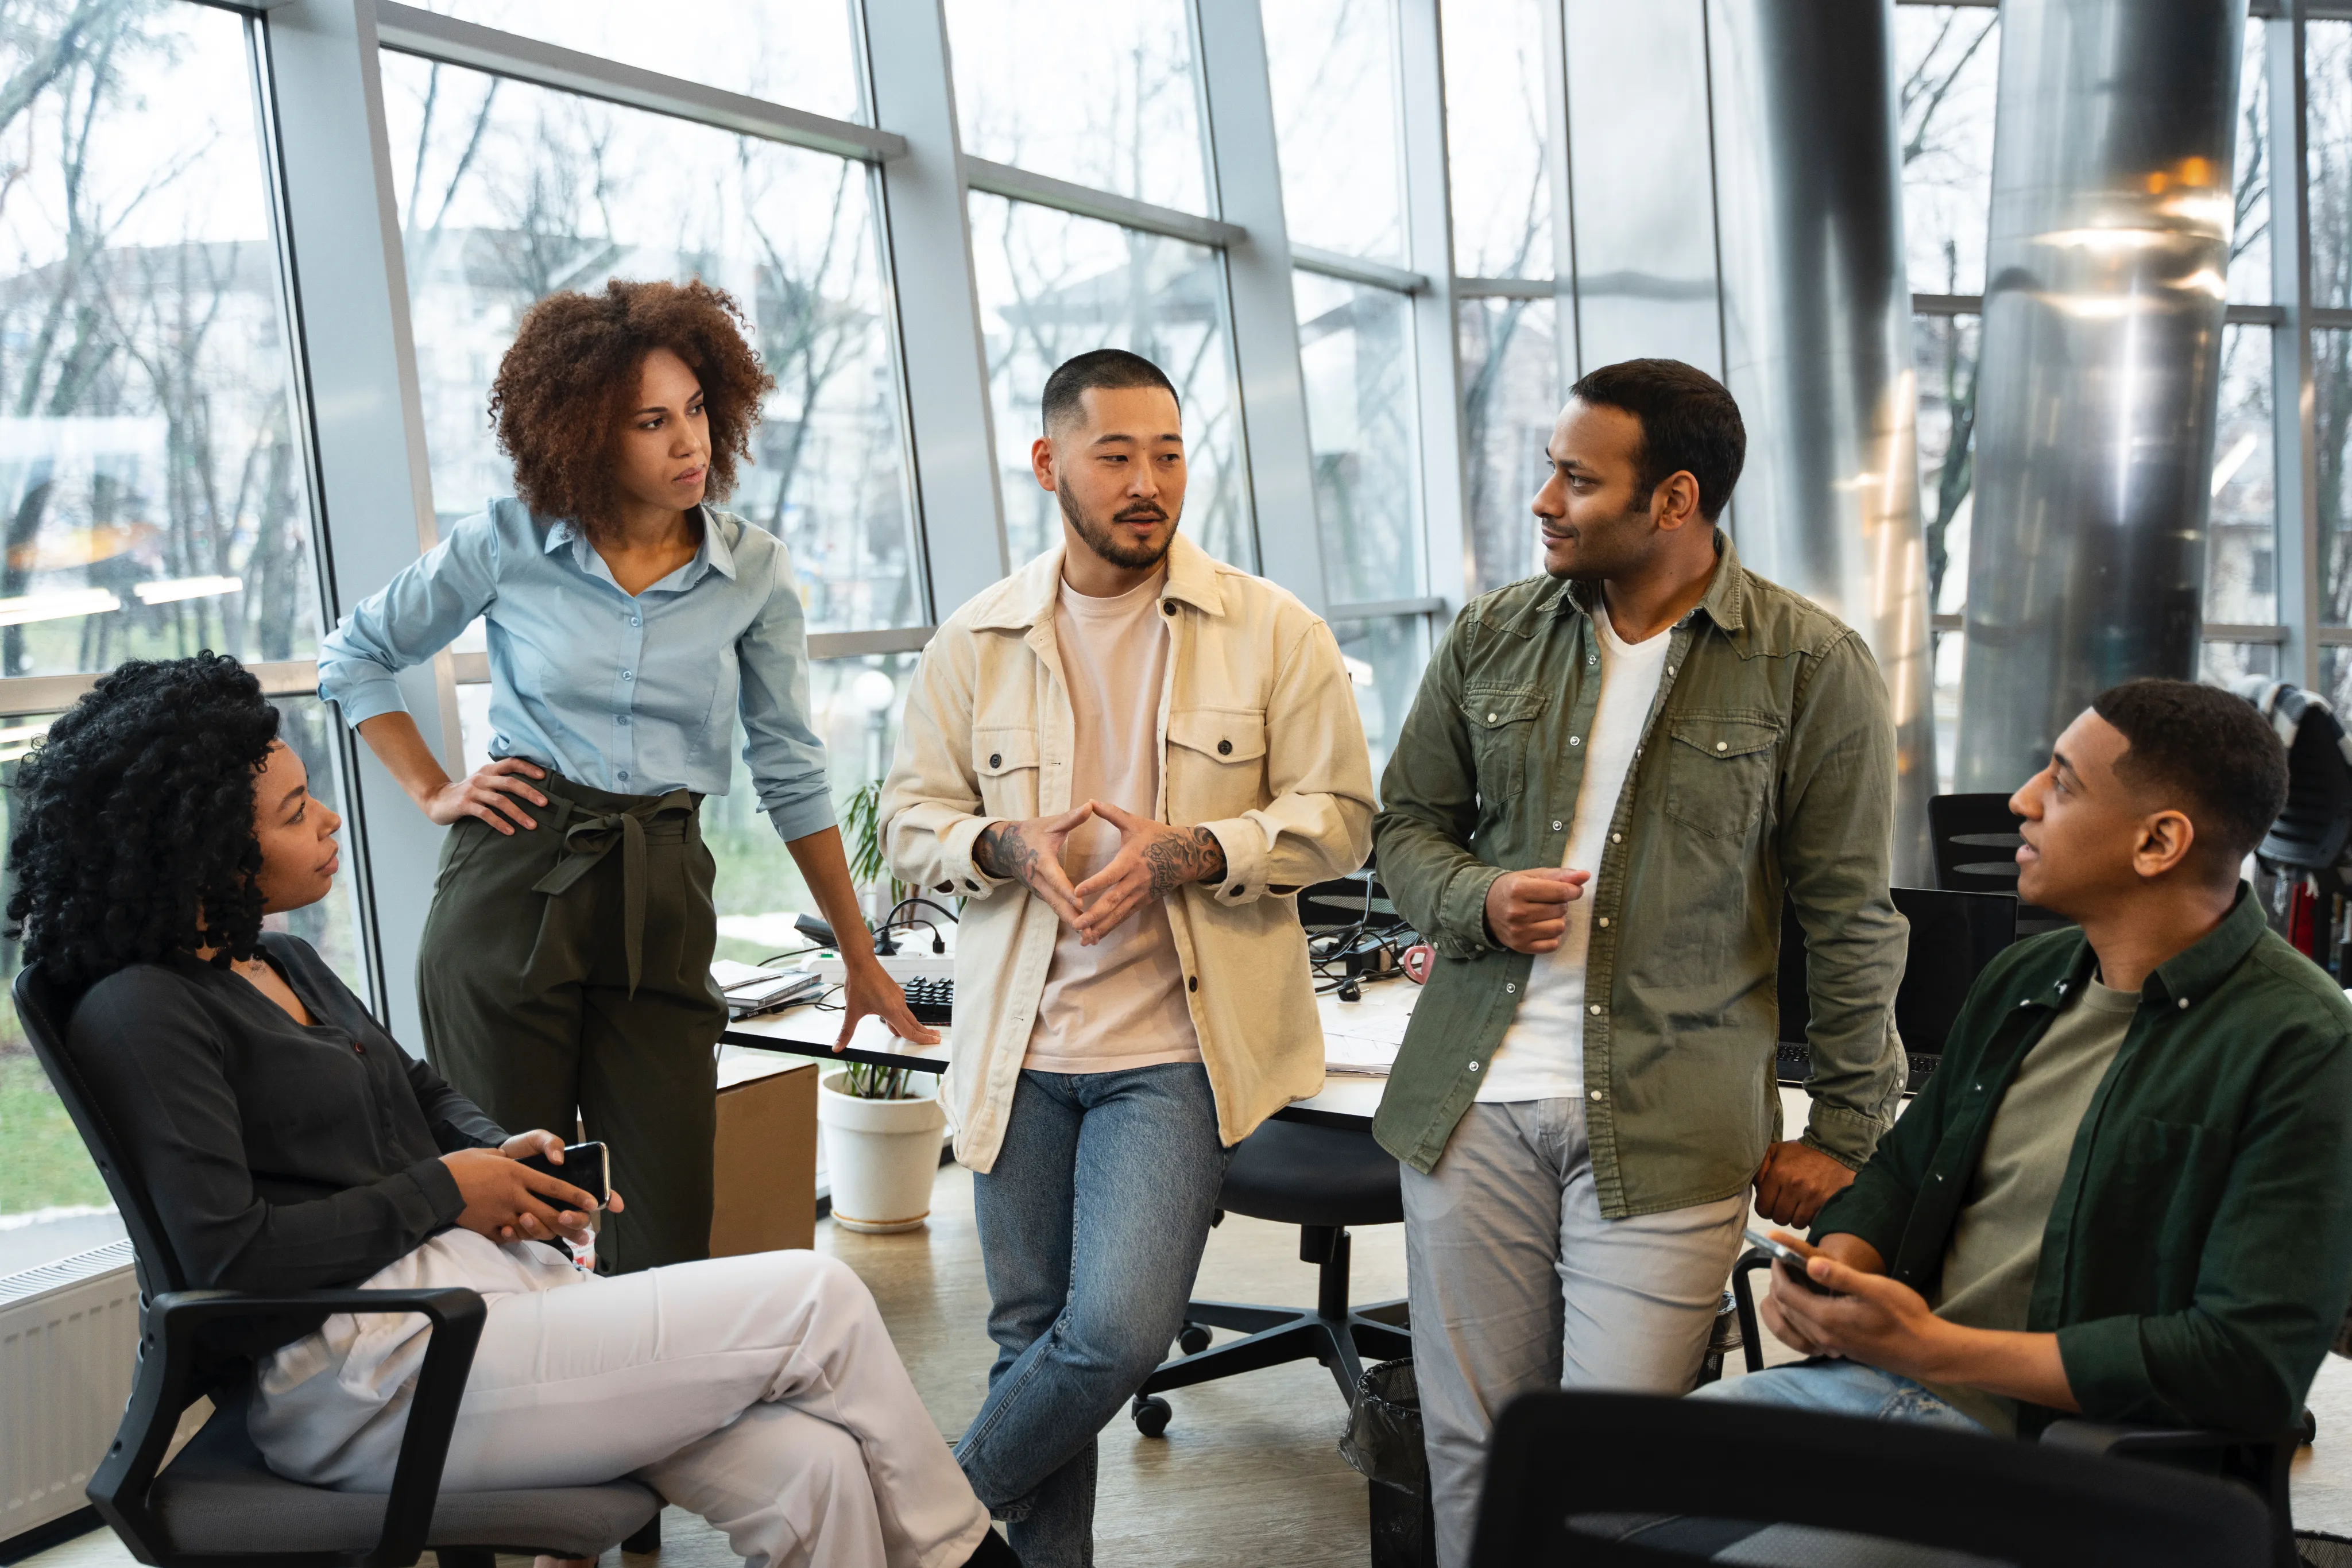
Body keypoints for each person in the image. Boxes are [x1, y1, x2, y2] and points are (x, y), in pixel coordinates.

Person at [5, 653, 1015, 1568]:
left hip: (479, 1306)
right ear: (202, 853)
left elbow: (424, 1091)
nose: (330, 821)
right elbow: (226, 1260)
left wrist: (504, 1158)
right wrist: (449, 1191)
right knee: (821, 1298)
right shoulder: (142, 1011)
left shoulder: (282, 961)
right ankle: (976, 1561)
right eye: (293, 810)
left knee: (815, 1473)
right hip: (369, 1369)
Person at [1371, 358, 1909, 1564]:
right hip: (1472, 1101)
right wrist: (1477, 895)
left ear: (1672, 500)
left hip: (1669, 1115)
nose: (1543, 501)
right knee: (1475, 1455)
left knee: (1614, 1481)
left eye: (1575, 478)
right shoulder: (1492, 635)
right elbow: (1401, 828)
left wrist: (1843, 1133)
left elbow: (1849, 918)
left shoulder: (1807, 666)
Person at [316, 278, 929, 1275]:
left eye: (695, 411)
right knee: (514, 1213)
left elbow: (790, 766)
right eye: (651, 422)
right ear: (587, 432)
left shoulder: (755, 572)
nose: (689, 443)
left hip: (664, 884)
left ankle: (652, 1426)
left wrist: (860, 953)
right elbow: (354, 655)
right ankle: (523, 1428)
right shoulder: (508, 543)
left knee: (669, 1218)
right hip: (514, 880)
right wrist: (436, 788)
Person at [879, 349, 1375, 1566]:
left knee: (1113, 1335)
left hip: (1172, 1052)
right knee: (1028, 1336)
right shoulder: (977, 640)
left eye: (1166, 453)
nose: (1148, 482)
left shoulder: (1272, 633)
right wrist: (994, 841)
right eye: (1115, 455)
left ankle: (905, 1526)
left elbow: (1342, 817)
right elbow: (904, 825)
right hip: (1017, 1051)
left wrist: (1196, 851)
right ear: (1049, 465)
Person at [1706, 678, 2352, 1439]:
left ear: (2159, 842)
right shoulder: (2025, 977)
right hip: (1881, 1390)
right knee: (1565, 1468)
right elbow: (1904, 1174)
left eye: (2064, 782)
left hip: (2048, 1459)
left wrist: (1930, 1346)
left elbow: (2243, 1364)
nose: (2022, 798)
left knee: (1588, 1502)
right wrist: (1838, 1275)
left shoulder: (2302, 1043)